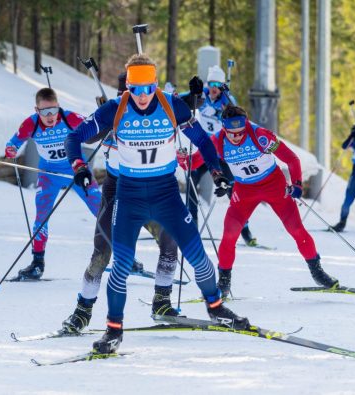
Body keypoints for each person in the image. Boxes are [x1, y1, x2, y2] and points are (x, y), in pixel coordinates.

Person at [66, 54, 249, 354]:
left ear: (155, 84)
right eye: (135, 89)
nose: (142, 96)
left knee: (197, 256)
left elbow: (203, 140)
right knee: (120, 265)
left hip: (166, 195)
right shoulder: (115, 109)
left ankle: (215, 307)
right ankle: (112, 329)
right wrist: (80, 167)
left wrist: (216, 172)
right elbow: (74, 137)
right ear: (127, 87)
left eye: (148, 88)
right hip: (128, 196)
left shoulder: (170, 105)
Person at [61, 73, 183, 333]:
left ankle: (162, 301)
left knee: (170, 241)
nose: (135, 100)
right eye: (126, 95)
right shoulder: (111, 116)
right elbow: (78, 137)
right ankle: (82, 312)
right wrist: (79, 166)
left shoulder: (155, 115)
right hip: (117, 190)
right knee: (102, 253)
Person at [183, 105, 339, 297]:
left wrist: (297, 184)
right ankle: (223, 282)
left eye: (241, 132)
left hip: (274, 185)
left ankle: (318, 272)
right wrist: (183, 158)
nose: (238, 137)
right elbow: (194, 161)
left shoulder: (261, 136)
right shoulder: (217, 140)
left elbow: (291, 159)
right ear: (224, 128)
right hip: (244, 190)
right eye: (233, 134)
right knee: (230, 234)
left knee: (296, 229)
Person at [5, 88, 101, 280]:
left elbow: (96, 130)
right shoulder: (31, 123)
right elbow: (13, 142)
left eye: (54, 110)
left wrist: (112, 139)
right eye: (44, 112)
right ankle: (37, 264)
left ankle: (126, 257)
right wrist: (11, 150)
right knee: (42, 215)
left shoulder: (69, 118)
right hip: (48, 173)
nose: (50, 116)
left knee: (101, 209)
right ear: (36, 109)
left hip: (76, 169)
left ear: (59, 106)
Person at [191, 66, 257, 246]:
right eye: (211, 83)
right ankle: (191, 227)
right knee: (191, 180)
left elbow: (235, 112)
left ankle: (245, 231)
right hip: (204, 149)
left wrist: (226, 100)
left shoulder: (227, 101)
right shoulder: (201, 96)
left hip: (222, 152)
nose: (213, 88)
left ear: (222, 87)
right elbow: (185, 99)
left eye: (217, 85)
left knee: (232, 190)